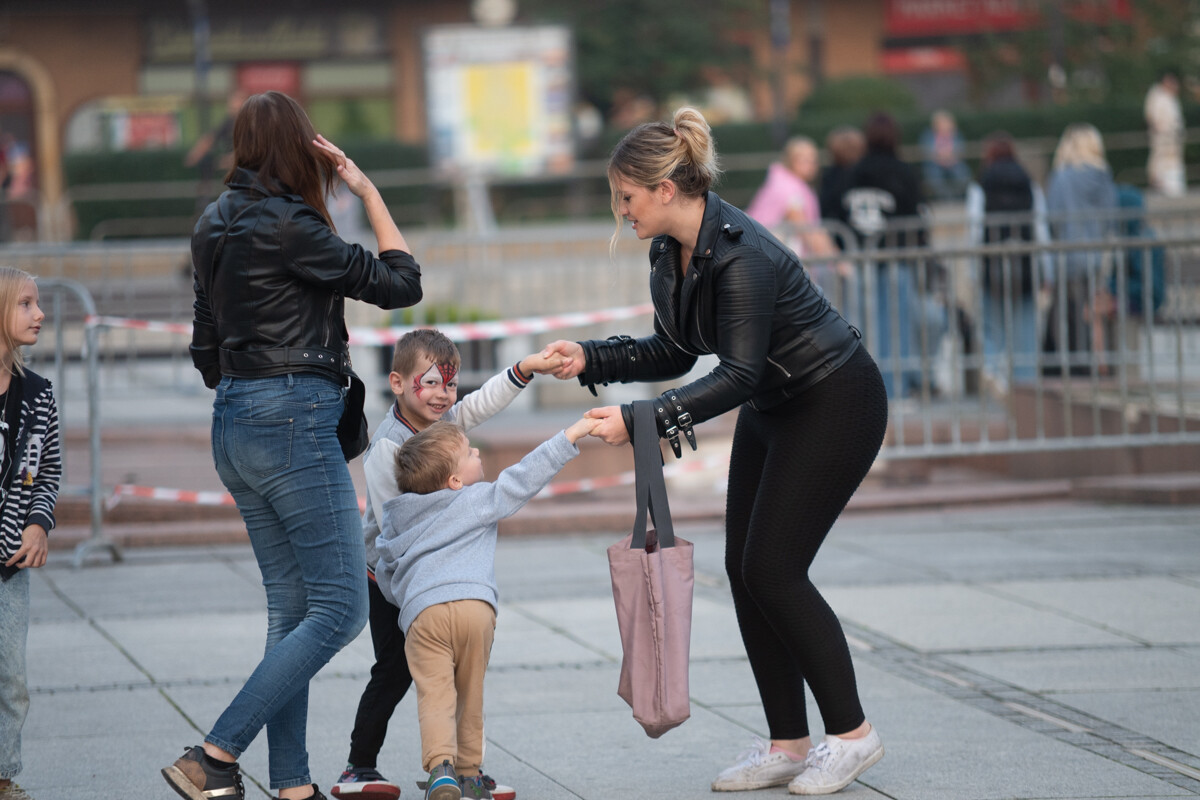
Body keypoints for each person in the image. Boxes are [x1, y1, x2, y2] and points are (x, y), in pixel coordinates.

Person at [542, 107, 887, 796]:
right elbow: (675, 350)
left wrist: (643, 419)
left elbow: (740, 373)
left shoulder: (741, 253)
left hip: (834, 400)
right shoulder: (667, 251)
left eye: (627, 197)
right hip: (775, 405)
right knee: (745, 569)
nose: (621, 212)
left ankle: (853, 736)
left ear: (666, 189)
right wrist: (590, 356)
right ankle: (787, 744)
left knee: (775, 570)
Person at [162, 91, 424, 800]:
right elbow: (402, 283)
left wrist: (250, 385)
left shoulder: (211, 222)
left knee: (292, 610)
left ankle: (293, 785)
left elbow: (205, 346)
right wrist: (366, 189)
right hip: (291, 421)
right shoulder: (293, 224)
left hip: (234, 420)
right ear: (301, 147)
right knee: (340, 610)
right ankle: (215, 752)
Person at [331, 329, 563, 800]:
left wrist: (526, 368)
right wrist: (409, 595)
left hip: (436, 577)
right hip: (392, 576)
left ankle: (463, 769)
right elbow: (395, 531)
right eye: (431, 383)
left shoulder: (444, 422)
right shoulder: (387, 449)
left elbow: (482, 402)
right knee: (395, 668)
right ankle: (359, 766)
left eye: (450, 384)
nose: (443, 395)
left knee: (459, 672)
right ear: (398, 383)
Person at [374, 417, 597, 800]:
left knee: (434, 695)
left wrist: (409, 600)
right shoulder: (474, 500)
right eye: (469, 452)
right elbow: (523, 477)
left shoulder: (396, 518)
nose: (477, 452)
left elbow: (384, 571)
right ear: (454, 481)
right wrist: (569, 436)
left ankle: (441, 770)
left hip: (424, 616)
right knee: (470, 694)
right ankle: (469, 774)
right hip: (475, 609)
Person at [0, 268, 60, 800]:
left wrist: (38, 524)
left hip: (8, 568)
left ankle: (3, 775)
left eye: (37, 303)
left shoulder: (38, 394)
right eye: (25, 304)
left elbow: (48, 471)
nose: (39, 313)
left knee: (12, 680)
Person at [843, 111, 938, 399]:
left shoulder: (855, 171)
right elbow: (918, 214)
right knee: (898, 328)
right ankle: (896, 389)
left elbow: (839, 209)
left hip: (863, 258)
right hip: (897, 257)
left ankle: (870, 389)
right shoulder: (903, 171)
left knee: (865, 327)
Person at [965, 132, 1051, 389]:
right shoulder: (1029, 184)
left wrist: (973, 271)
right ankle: (1026, 388)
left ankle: (995, 378)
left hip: (991, 267)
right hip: (1025, 267)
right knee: (1025, 331)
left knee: (991, 327)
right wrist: (1047, 271)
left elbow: (975, 232)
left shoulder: (980, 186)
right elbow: (1041, 230)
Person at [1044, 123, 1118, 376]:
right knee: (1094, 312)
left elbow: (1053, 218)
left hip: (1069, 254)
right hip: (1096, 255)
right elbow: (1111, 218)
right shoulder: (1103, 175)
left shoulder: (1061, 177)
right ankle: (1098, 365)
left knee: (1068, 315)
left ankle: (1072, 367)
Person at [746, 137, 851, 313]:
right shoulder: (790, 190)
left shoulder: (783, 183)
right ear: (791, 160)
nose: (812, 165)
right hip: (778, 269)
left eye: (813, 159)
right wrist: (836, 260)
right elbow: (807, 230)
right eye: (804, 160)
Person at [1144, 69, 1185, 198]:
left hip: (1172, 138)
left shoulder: (1170, 97)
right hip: (1163, 137)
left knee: (1171, 163)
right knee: (1160, 161)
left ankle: (1172, 188)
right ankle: (1161, 186)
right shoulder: (1157, 96)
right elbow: (1153, 117)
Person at [919, 110, 971, 202]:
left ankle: (957, 196)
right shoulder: (928, 136)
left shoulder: (957, 135)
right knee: (934, 175)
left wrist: (950, 157)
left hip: (954, 163)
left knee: (962, 173)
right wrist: (940, 156)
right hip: (935, 164)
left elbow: (961, 150)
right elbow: (927, 151)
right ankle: (945, 197)